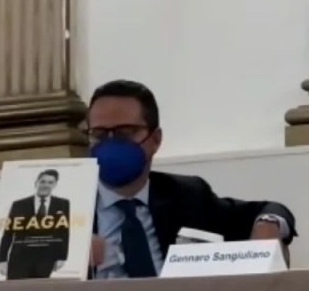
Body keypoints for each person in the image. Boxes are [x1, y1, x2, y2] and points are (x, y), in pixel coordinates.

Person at [85, 79, 297, 278]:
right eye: (99, 134)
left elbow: (269, 209)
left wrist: (268, 224)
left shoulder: (187, 196)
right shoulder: (69, 205)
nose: (110, 144)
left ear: (155, 140)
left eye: (125, 133)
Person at [0, 169, 71, 280]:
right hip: (20, 258)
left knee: (40, 289)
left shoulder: (63, 204)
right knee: (16, 289)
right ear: (36, 182)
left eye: (50, 182)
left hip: (46, 258)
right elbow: (8, 233)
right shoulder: (19, 204)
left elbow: (64, 232)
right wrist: (2, 259)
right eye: (43, 181)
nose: (46, 185)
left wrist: (62, 257)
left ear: (55, 184)